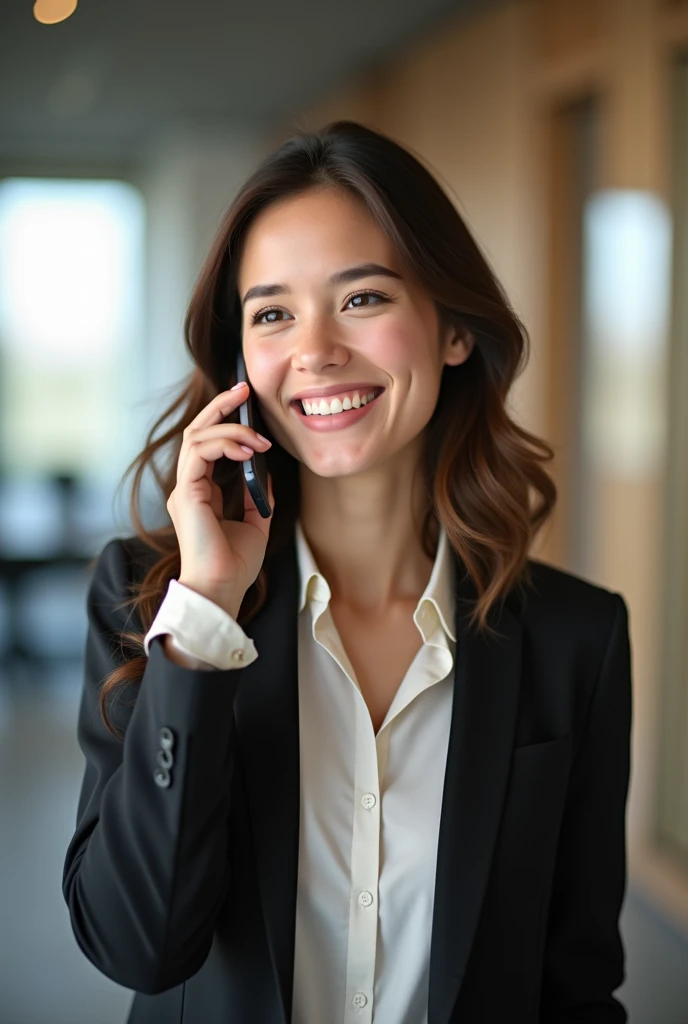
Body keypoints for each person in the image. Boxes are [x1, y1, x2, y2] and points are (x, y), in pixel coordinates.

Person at [62, 120, 632, 1024]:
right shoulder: (153, 601)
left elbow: (577, 984)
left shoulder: (577, 638)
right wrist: (206, 615)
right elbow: (138, 944)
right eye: (273, 313)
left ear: (452, 329)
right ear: (240, 361)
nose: (315, 350)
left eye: (362, 298)